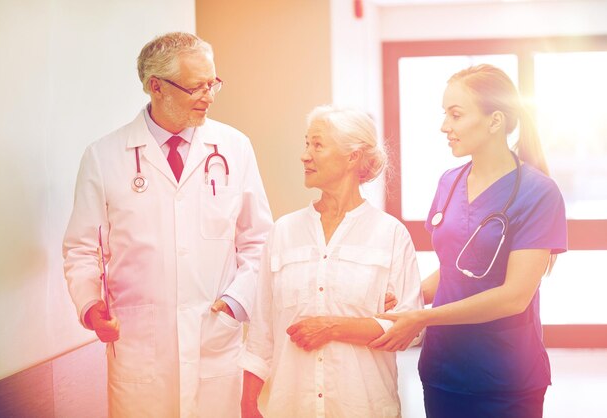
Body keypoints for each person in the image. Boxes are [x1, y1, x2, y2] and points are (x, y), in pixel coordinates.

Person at [62, 32, 273, 417]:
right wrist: (92, 307)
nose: (208, 96)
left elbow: (259, 240)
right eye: (196, 87)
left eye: (213, 84)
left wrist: (234, 302)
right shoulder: (104, 156)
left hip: (214, 338)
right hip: (140, 347)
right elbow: (81, 248)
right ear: (155, 87)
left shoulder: (234, 147)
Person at [370, 64, 567, 418]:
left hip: (505, 378)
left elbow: (514, 297)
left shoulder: (539, 193)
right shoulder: (449, 181)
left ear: (495, 121)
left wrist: (422, 318)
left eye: (455, 115)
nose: (444, 126)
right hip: (443, 370)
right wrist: (406, 296)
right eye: (445, 114)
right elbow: (453, 271)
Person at [240, 105, 423, 418]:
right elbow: (261, 334)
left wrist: (333, 327)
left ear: (352, 157)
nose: (305, 155)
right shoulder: (283, 231)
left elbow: (409, 328)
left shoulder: (390, 234)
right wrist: (247, 404)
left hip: (365, 407)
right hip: (290, 406)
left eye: (318, 145)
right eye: (306, 143)